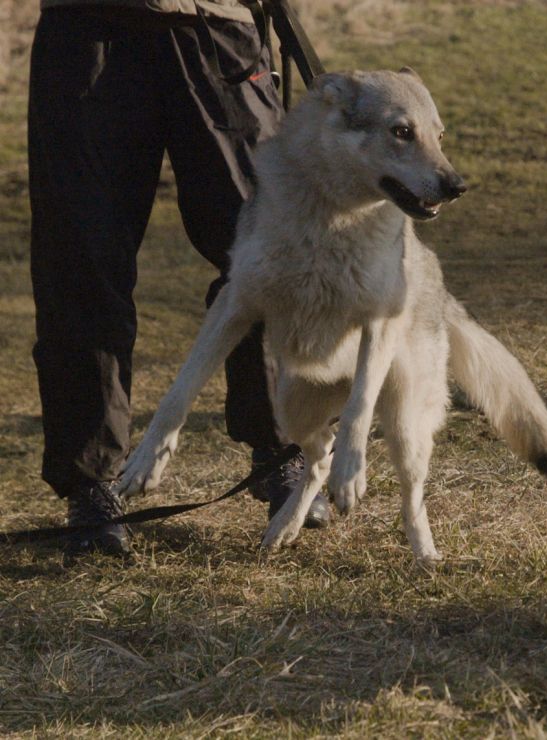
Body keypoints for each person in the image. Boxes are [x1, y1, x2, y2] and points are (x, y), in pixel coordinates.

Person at [28, 0, 331, 556]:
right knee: (79, 261)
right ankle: (90, 485)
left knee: (270, 248)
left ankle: (284, 451)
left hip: (216, 26)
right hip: (86, 29)